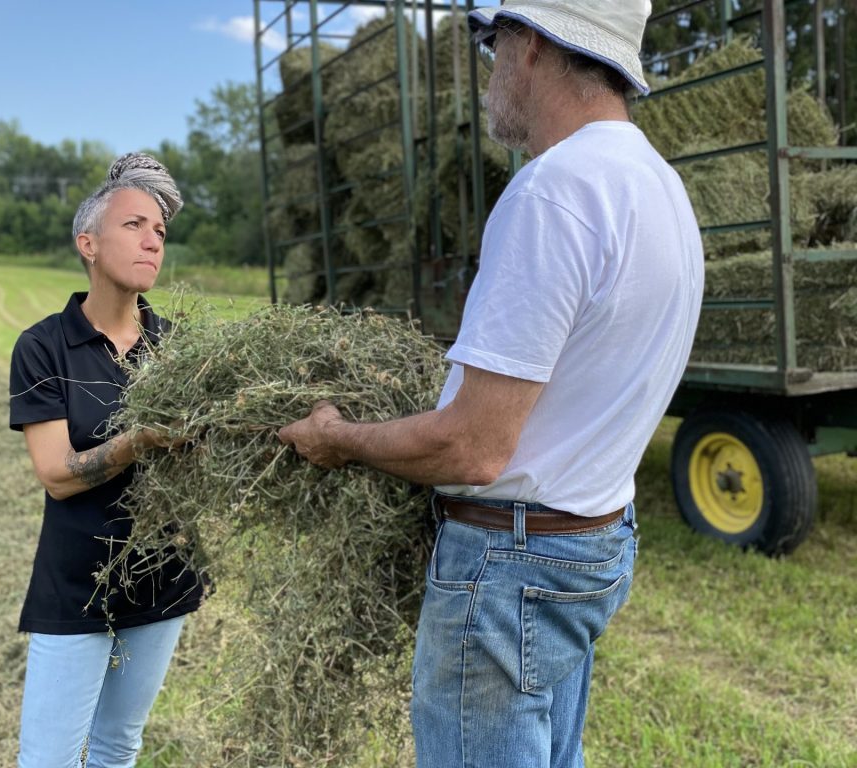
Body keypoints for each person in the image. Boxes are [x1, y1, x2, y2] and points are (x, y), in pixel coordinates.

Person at [278, 1, 703, 766]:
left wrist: (336, 439)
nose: (488, 70)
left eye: (490, 43)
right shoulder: (662, 188)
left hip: (511, 569)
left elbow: (474, 447)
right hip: (593, 543)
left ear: (532, 46)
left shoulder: (554, 192)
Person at [9, 153, 204, 768]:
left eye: (161, 232)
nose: (152, 241)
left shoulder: (177, 350)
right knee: (49, 760)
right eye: (135, 226)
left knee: (119, 745)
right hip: (78, 585)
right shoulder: (44, 346)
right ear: (87, 243)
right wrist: (139, 440)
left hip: (163, 572)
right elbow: (57, 474)